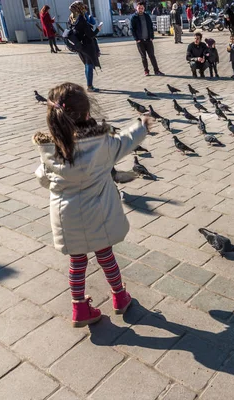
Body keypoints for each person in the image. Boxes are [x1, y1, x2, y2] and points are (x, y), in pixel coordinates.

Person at [33, 82, 150, 328]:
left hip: (68, 219)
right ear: (87, 114)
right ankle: (119, 297)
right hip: (99, 216)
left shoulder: (50, 150)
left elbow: (43, 178)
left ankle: (79, 308)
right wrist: (142, 126)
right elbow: (125, 142)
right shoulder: (101, 145)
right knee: (106, 256)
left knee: (77, 263)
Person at [68, 1, 100, 92]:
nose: (84, 8)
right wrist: (98, 29)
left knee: (86, 64)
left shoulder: (71, 17)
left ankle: (89, 85)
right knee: (89, 65)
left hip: (79, 44)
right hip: (87, 44)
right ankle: (90, 86)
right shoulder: (81, 18)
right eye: (83, 7)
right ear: (80, 8)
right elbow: (90, 34)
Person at [132, 1, 164, 76]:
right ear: (136, 8)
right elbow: (132, 29)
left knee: (152, 56)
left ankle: (157, 70)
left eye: (142, 8)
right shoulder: (134, 18)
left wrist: (152, 37)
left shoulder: (146, 16)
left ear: (144, 8)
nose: (140, 9)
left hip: (148, 40)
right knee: (143, 57)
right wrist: (136, 39)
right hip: (140, 41)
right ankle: (146, 71)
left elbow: (150, 27)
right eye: (139, 8)